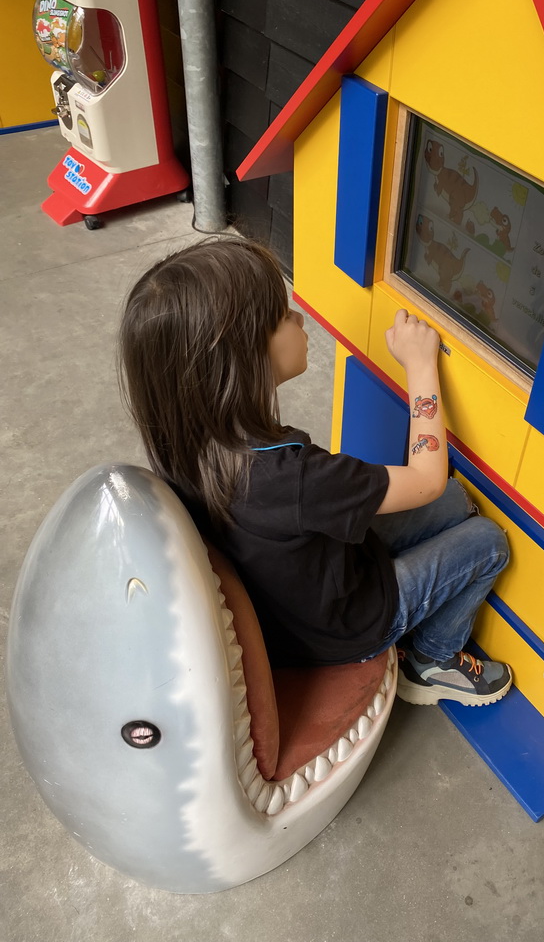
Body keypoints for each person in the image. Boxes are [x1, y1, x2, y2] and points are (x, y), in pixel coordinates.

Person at [118, 237, 512, 707]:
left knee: (456, 501)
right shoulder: (294, 477)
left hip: (297, 599)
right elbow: (426, 478)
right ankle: (430, 661)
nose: (299, 319)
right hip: (345, 626)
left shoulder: (185, 443)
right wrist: (421, 365)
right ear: (243, 358)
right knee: (487, 540)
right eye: (284, 316)